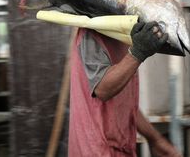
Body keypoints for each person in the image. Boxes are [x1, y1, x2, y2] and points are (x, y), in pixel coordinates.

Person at [68, 21, 181, 156]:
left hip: (122, 148)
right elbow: (102, 89)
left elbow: (125, 104)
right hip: (96, 151)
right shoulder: (92, 31)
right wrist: (137, 53)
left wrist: (155, 139)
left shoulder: (122, 33)